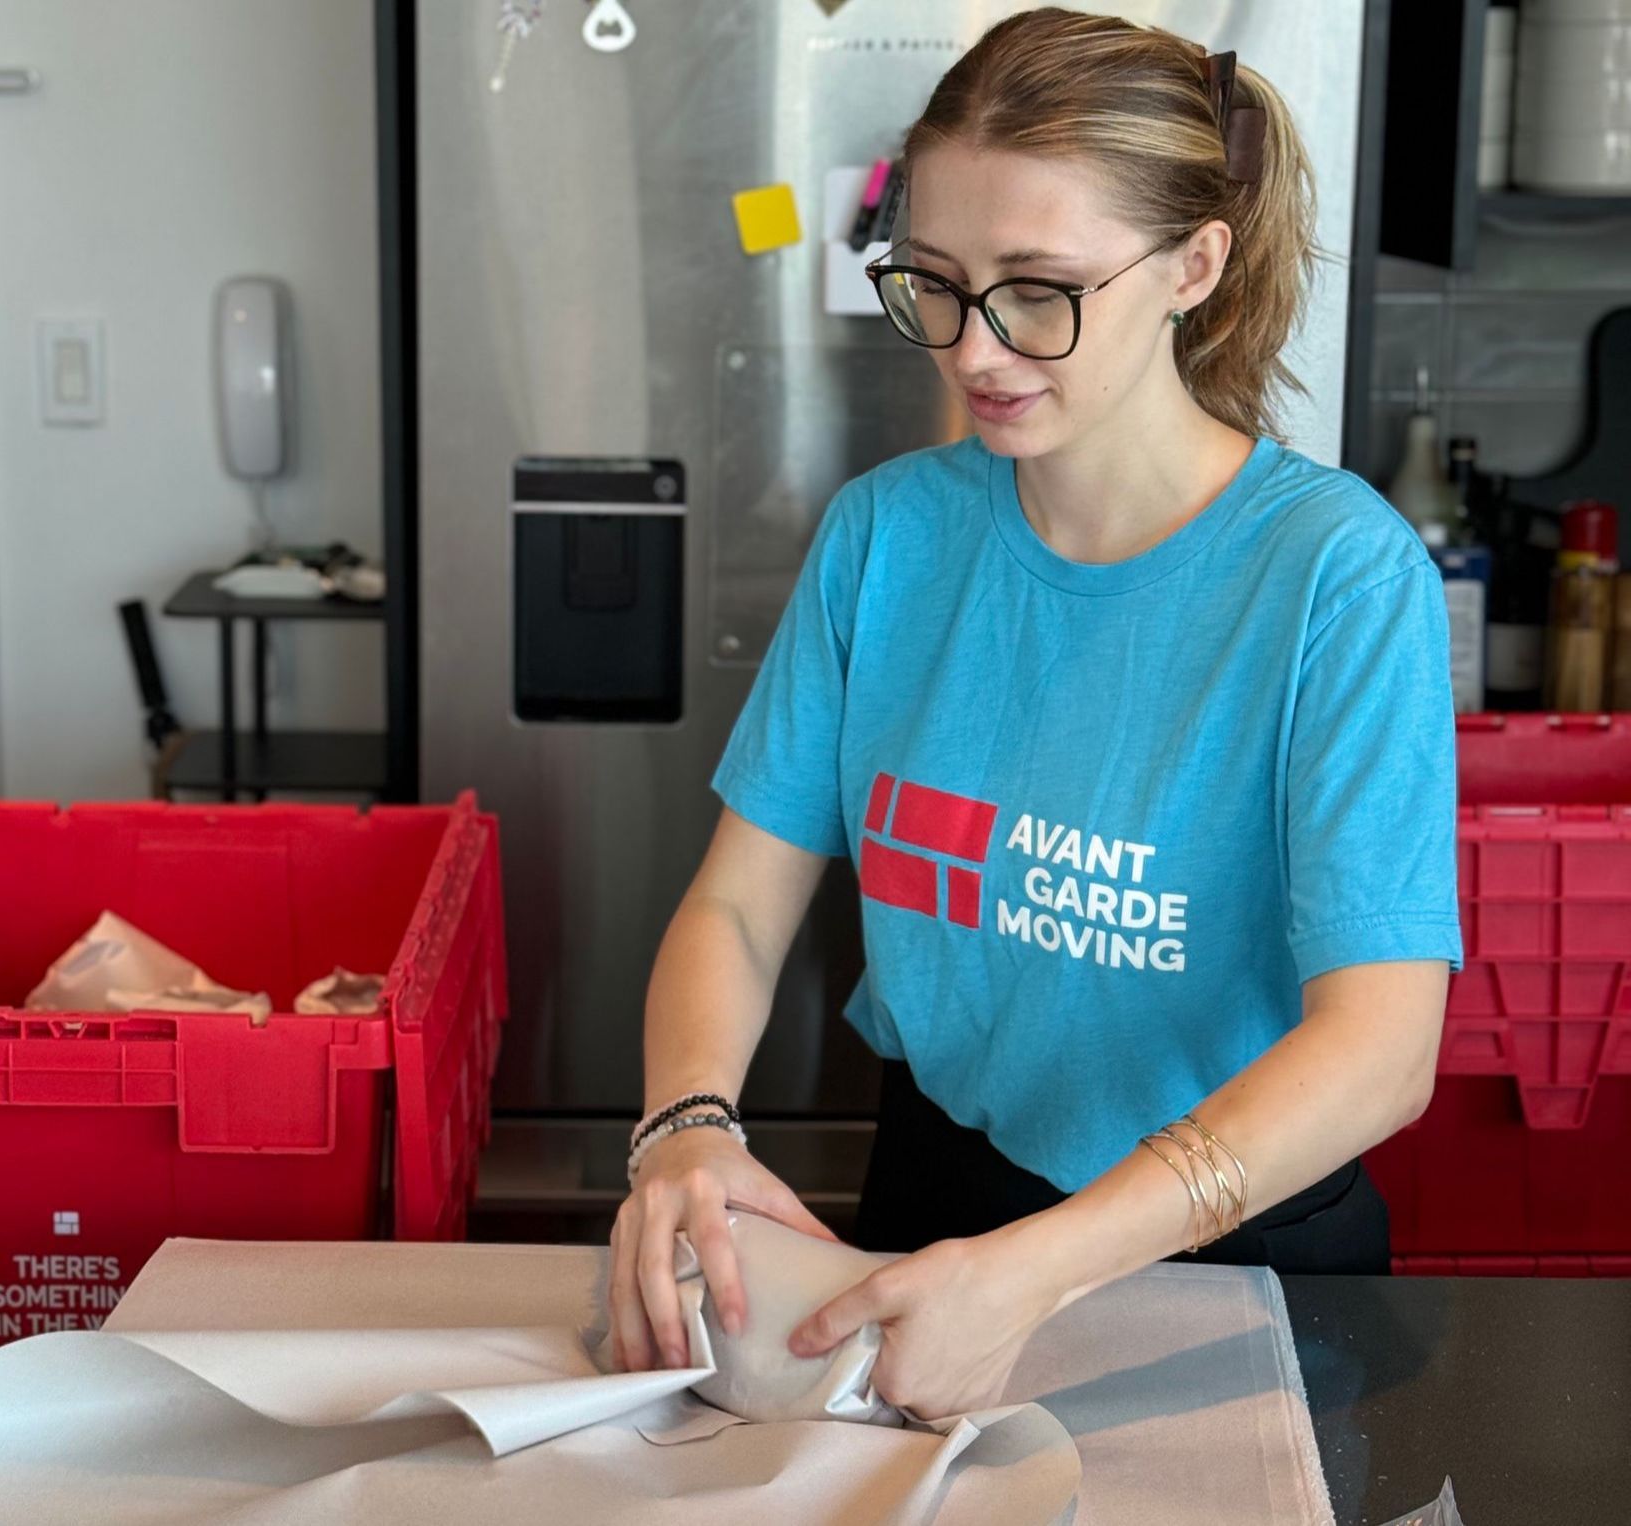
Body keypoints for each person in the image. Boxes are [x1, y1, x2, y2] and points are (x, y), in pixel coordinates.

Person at [606, 6, 1462, 1422]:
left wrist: (1043, 1269)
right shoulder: (888, 537)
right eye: (934, 283)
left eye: (1040, 289)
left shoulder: (1335, 576)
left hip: (1225, 1233)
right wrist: (684, 1121)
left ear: (1195, 264)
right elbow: (739, 910)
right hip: (935, 1189)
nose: (978, 349)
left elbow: (1382, 1043)